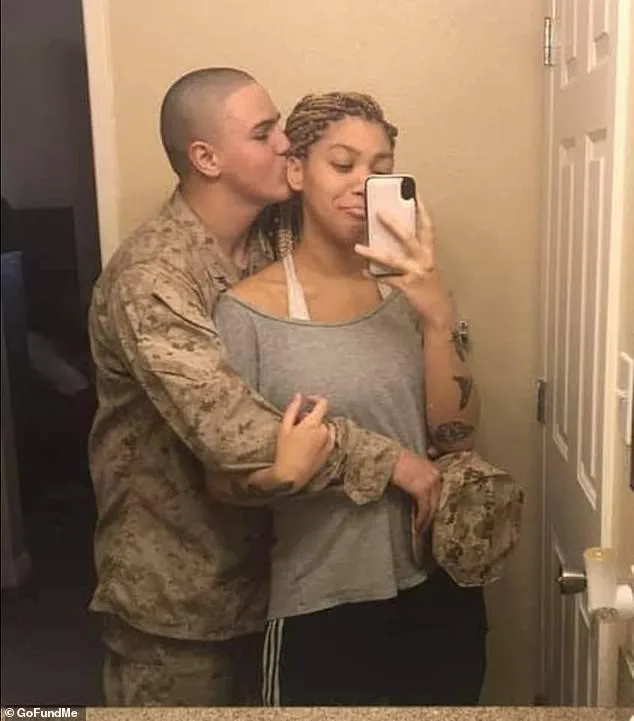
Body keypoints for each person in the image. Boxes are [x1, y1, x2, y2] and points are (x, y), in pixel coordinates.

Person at [88, 68, 441, 706]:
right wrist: (397, 463)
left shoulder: (266, 241)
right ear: (206, 158)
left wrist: (424, 292)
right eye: (264, 133)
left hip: (274, 576)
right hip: (180, 593)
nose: (285, 143)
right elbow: (233, 430)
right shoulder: (152, 278)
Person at [214, 91, 488, 706]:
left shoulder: (409, 295)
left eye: (380, 168)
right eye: (342, 164)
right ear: (295, 171)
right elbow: (223, 480)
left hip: (439, 587)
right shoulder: (247, 313)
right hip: (322, 598)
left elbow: (457, 438)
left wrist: (438, 320)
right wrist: (280, 474)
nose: (363, 184)